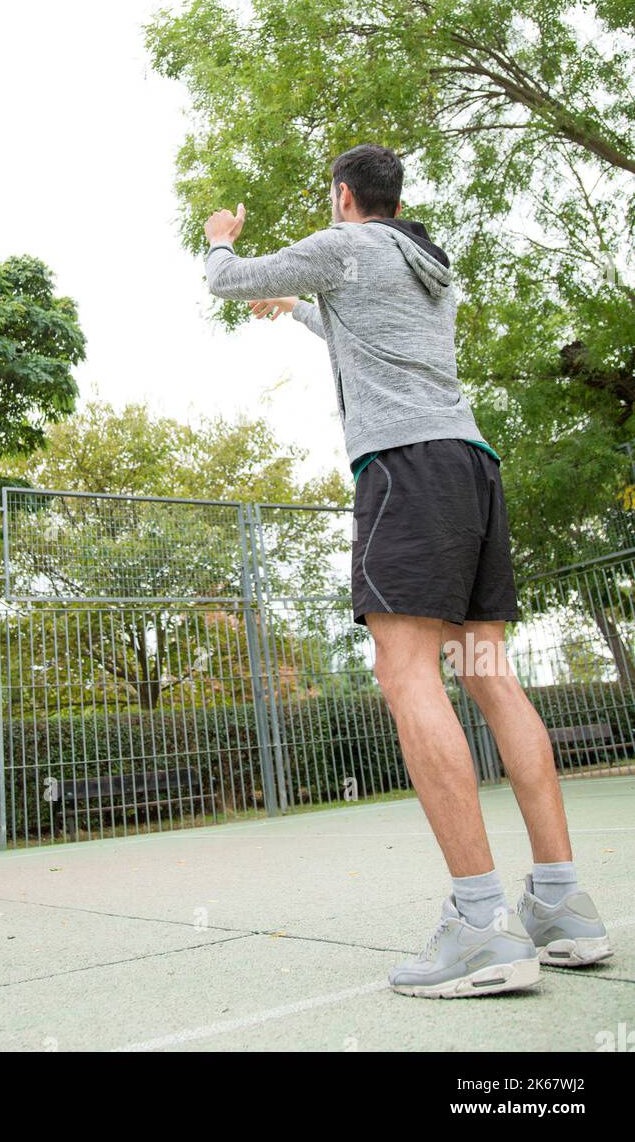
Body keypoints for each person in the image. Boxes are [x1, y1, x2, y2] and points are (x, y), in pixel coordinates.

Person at [203, 143, 612, 998]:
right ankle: (564, 907)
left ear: (344, 196)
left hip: (405, 471)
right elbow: (366, 332)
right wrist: (299, 310)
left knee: (406, 672)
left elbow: (224, 280)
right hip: (471, 465)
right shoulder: (429, 264)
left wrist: (220, 239)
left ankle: (477, 928)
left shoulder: (343, 245)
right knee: (488, 673)